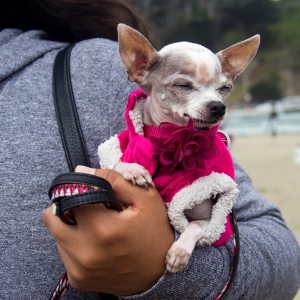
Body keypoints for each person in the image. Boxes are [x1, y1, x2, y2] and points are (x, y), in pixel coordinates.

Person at [0, 1, 299, 299]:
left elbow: (281, 254)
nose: (216, 102)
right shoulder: (128, 130)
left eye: (222, 89)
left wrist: (160, 272)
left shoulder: (92, 69)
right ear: (139, 66)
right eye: (185, 86)